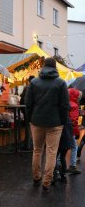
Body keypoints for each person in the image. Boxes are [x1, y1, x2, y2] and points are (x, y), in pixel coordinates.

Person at [25, 57, 69, 192]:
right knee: (51, 152)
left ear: (43, 67)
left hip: (37, 121)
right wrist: (63, 122)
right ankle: (46, 182)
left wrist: (30, 119)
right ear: (55, 68)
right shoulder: (61, 83)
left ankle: (36, 177)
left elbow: (28, 104)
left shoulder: (34, 83)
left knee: (37, 150)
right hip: (55, 123)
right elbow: (64, 106)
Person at [66, 88, 82, 174]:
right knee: (74, 147)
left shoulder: (66, 103)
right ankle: (72, 166)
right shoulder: (75, 106)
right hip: (70, 130)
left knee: (62, 147)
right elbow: (74, 121)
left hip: (63, 129)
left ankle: (58, 166)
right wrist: (77, 132)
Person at [20, 75, 35, 150]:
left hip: (28, 111)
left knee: (28, 128)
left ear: (29, 81)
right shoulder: (37, 88)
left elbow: (22, 100)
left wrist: (23, 111)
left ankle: (27, 145)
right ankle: (32, 145)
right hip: (35, 112)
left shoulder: (27, 88)